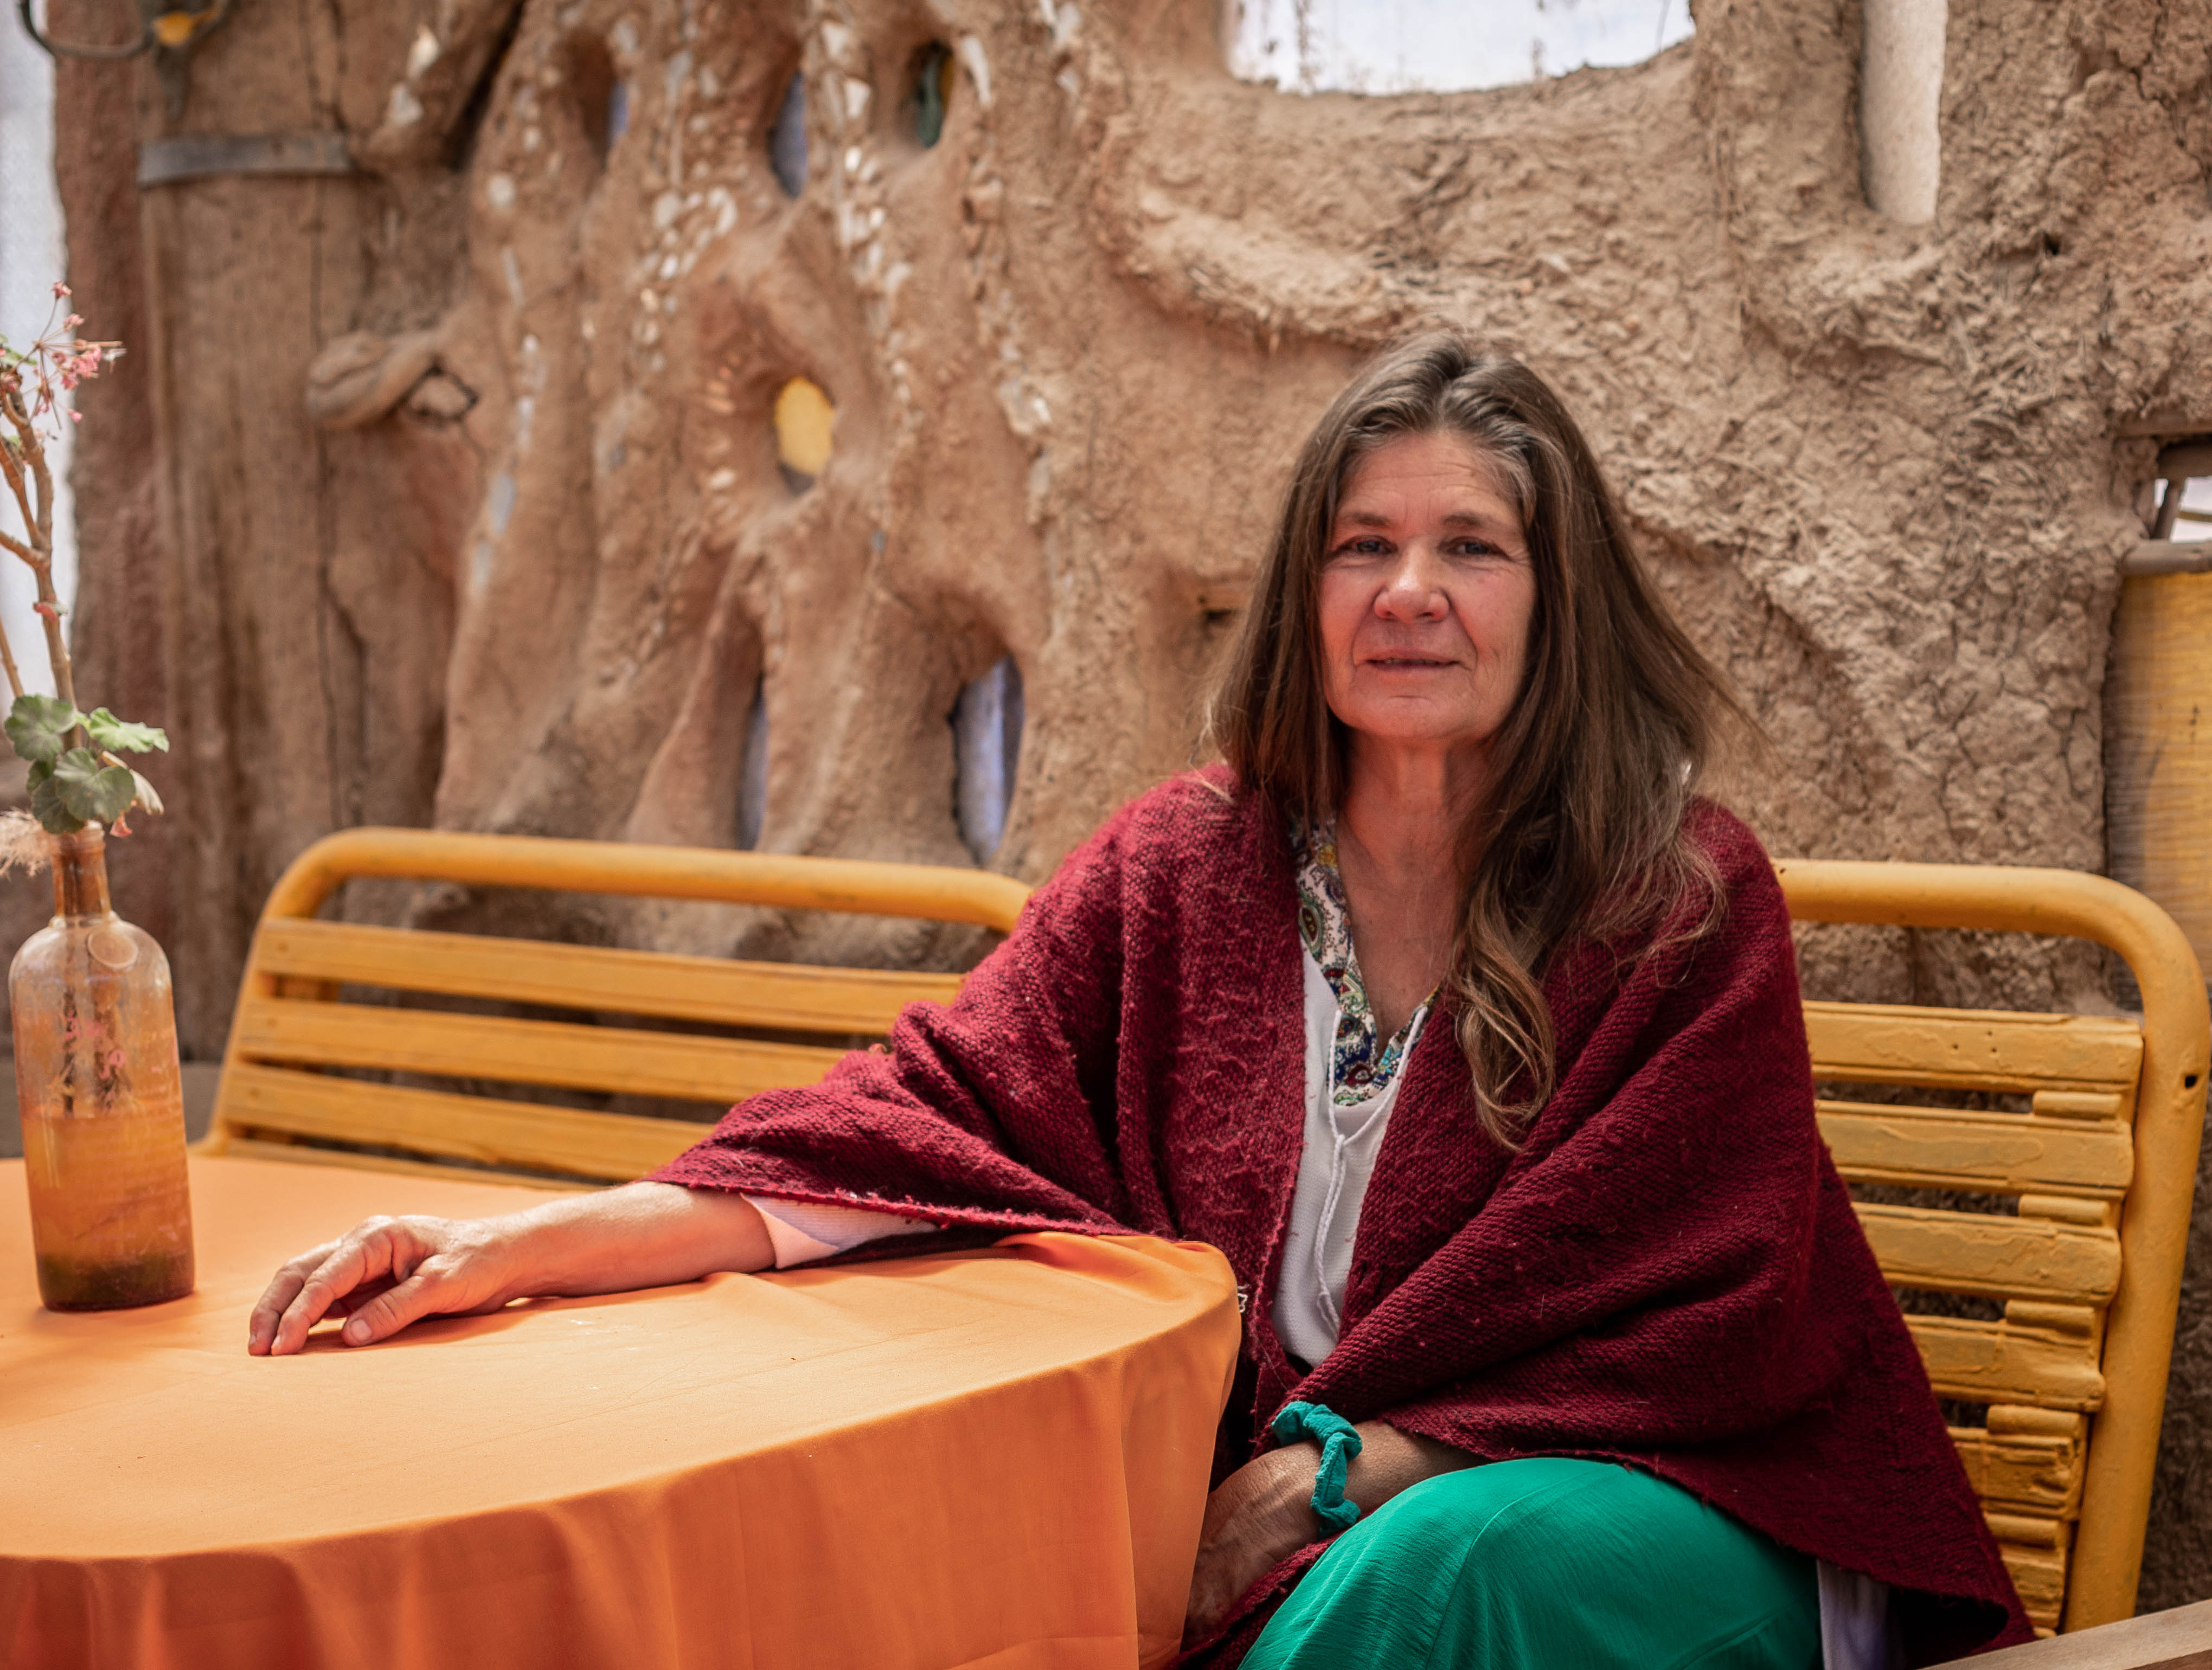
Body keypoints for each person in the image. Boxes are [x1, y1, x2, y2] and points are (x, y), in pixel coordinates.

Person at [249, 336, 2029, 1666]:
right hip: (1322, 1542)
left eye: (1471, 548)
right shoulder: (1194, 866)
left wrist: (1323, 1477)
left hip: (1679, 1508)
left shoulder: (1678, 891)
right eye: (1361, 547)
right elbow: (919, 1118)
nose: (1411, 594)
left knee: (1444, 1568)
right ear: (1303, 597)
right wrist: (522, 1243)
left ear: (1557, 601)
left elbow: (1699, 1319)